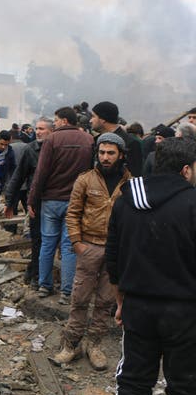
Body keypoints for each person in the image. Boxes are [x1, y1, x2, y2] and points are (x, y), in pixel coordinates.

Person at [106, 137, 196, 395]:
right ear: (186, 170)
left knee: (132, 386)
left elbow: (113, 261)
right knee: (185, 392)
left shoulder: (126, 201)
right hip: (185, 312)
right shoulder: (192, 203)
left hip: (137, 306)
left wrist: (121, 303)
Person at [54, 133, 131, 369]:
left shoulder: (131, 184)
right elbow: (73, 213)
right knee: (79, 298)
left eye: (111, 153)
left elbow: (135, 218)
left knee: (106, 301)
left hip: (116, 251)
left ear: (121, 155)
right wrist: (77, 242)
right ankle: (71, 344)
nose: (105, 158)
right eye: (102, 152)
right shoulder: (85, 180)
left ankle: (94, 345)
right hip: (89, 246)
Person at [28, 106, 94, 303]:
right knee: (69, 246)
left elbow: (41, 173)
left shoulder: (52, 140)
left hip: (50, 201)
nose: (54, 123)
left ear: (64, 120)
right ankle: (67, 291)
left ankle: (44, 285)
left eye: (56, 120)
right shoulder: (88, 140)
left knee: (47, 243)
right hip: (76, 202)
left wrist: (33, 199)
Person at [5, 117, 54, 288]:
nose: (38, 132)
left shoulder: (59, 150)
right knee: (37, 239)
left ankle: (41, 272)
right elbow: (19, 176)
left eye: (42, 129)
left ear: (52, 131)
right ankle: (36, 274)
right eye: (37, 128)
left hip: (56, 201)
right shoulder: (31, 149)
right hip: (37, 202)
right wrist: (10, 200)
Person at [90, 101, 143, 177]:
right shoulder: (95, 141)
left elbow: (135, 175)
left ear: (103, 119)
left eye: (93, 116)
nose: (90, 120)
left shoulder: (131, 143)